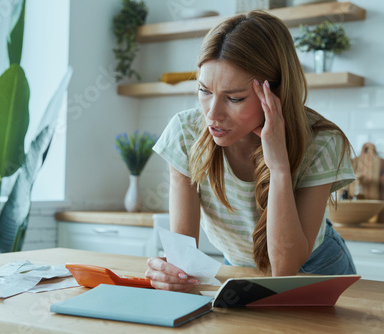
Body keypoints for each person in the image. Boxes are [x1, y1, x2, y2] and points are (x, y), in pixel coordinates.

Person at [146, 10, 356, 292]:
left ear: (275, 94)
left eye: (234, 98)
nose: (213, 114)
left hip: (318, 272)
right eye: (205, 91)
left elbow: (284, 268)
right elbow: (183, 256)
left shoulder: (321, 142)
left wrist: (279, 167)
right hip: (238, 270)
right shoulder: (186, 133)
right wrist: (173, 275)